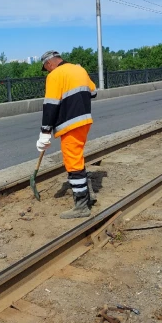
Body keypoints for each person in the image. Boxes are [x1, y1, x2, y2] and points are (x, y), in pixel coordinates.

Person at [36, 51, 97, 219]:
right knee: (77, 158)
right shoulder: (79, 69)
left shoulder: (55, 75)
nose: (47, 71)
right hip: (84, 121)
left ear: (49, 64)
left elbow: (50, 105)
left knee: (72, 162)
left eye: (46, 68)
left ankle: (82, 206)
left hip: (70, 124)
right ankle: (87, 193)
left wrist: (45, 132)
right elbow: (93, 92)